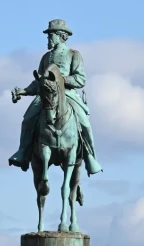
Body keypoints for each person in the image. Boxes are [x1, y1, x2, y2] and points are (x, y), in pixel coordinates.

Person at [9, 19, 102, 175]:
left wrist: (60, 79)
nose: (48, 39)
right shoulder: (46, 57)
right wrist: (23, 91)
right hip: (46, 94)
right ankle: (23, 152)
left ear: (61, 36)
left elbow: (81, 79)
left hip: (67, 94)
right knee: (28, 119)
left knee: (85, 123)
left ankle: (90, 156)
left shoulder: (74, 55)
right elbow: (39, 82)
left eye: (50, 35)